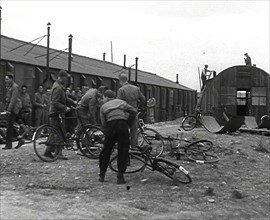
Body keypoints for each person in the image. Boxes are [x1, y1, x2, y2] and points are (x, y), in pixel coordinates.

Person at [99, 90, 138, 184]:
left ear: (106, 97)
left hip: (111, 126)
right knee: (123, 151)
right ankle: (120, 177)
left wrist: (106, 130)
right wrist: (127, 121)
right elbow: (134, 111)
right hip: (122, 125)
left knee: (106, 150)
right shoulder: (122, 102)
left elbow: (103, 123)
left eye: (103, 98)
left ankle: (102, 175)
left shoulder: (103, 107)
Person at [44, 69, 76, 160]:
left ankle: (50, 151)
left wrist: (73, 102)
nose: (67, 80)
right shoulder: (58, 88)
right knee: (58, 133)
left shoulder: (59, 86)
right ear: (61, 78)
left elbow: (65, 98)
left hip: (57, 113)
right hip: (56, 113)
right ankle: (57, 153)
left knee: (56, 132)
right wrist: (65, 108)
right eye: (66, 78)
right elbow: (54, 102)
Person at [117, 73, 146, 149]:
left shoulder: (121, 90)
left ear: (120, 81)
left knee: (123, 131)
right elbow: (143, 99)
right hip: (134, 112)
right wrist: (139, 108)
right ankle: (134, 148)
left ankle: (124, 148)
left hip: (125, 113)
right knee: (134, 132)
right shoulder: (136, 88)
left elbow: (118, 102)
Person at [2, 73, 23, 150]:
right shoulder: (9, 86)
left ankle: (8, 145)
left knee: (9, 127)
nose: (5, 81)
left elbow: (13, 100)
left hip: (14, 109)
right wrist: (5, 108)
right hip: (11, 108)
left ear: (11, 79)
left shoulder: (15, 87)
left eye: (7, 79)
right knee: (10, 125)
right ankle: (20, 139)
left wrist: (9, 110)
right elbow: (8, 98)